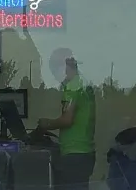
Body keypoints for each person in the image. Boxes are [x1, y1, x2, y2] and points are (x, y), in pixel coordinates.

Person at [36, 47, 97, 190]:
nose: (55, 76)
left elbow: (67, 119)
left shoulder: (73, 87)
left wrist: (47, 124)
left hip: (74, 153)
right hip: (85, 151)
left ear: (63, 67)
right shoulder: (84, 84)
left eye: (54, 70)